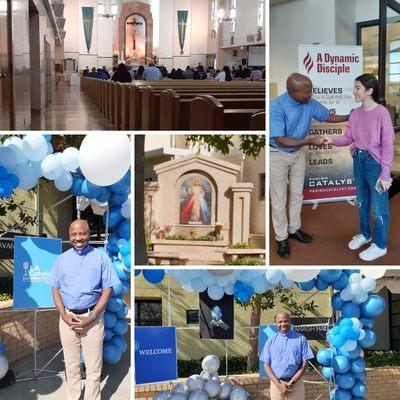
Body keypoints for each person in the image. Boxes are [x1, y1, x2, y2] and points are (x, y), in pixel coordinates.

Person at [270, 73, 349, 259]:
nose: (311, 94)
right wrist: (309, 141)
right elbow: (281, 141)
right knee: (279, 201)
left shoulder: (309, 102)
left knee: (297, 194)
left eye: (311, 89)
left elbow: (328, 116)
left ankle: (294, 229)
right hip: (277, 155)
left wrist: (350, 115)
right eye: (307, 91)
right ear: (293, 92)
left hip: (297, 154)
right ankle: (281, 238)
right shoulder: (276, 107)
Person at [48, 219, 121, 400]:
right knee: (72, 368)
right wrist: (63, 315)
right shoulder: (62, 259)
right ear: (69, 236)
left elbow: (108, 289)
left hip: (93, 320)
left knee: (93, 369)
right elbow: (55, 288)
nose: (78, 238)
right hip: (68, 320)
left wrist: (93, 316)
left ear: (89, 234)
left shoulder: (101, 257)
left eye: (82, 233)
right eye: (74, 234)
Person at [325, 73, 394, 261]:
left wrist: (386, 174)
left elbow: (388, 144)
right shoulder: (355, 114)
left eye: (357, 88)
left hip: (375, 164)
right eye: (354, 87)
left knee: (379, 208)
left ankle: (380, 245)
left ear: (369, 91)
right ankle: (365, 234)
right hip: (358, 160)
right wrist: (330, 140)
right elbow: (348, 138)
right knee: (362, 201)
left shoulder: (382, 113)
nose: (353, 91)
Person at [260, 312, 314, 400]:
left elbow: (304, 364)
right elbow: (266, 365)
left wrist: (292, 382)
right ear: (276, 324)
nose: (283, 324)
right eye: (280, 322)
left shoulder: (301, 339)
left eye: (286, 321)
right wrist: (278, 385)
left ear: (290, 322)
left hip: (296, 385)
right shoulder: (270, 341)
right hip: (276, 385)